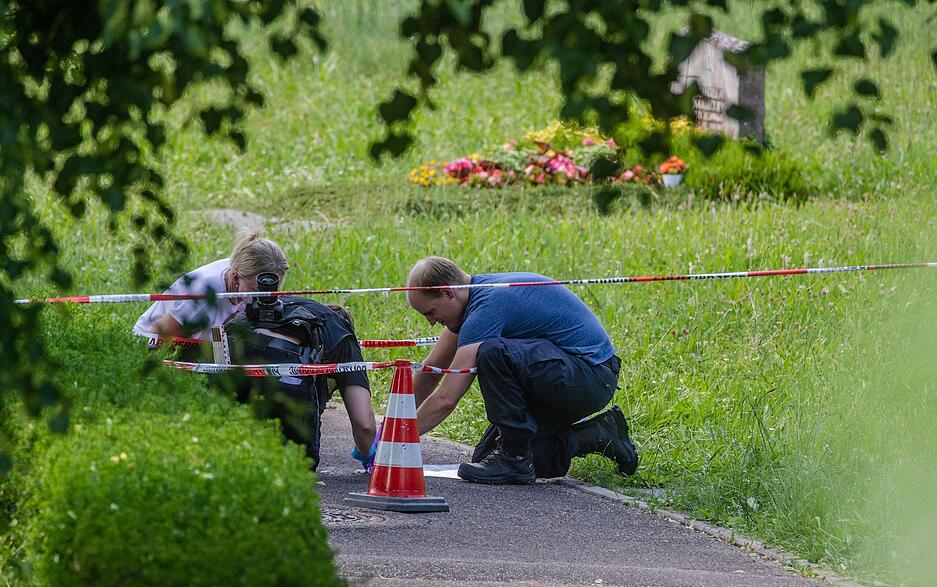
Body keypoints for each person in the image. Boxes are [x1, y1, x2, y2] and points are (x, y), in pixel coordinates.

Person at [406, 256, 637, 485]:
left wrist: (399, 438)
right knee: (486, 458)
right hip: (564, 372)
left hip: (592, 375)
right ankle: (596, 435)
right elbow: (429, 374)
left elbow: (446, 399)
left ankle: (513, 457)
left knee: (493, 353)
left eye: (430, 312)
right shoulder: (470, 302)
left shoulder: (486, 308)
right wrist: (392, 422)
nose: (431, 322)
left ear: (447, 292)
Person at [223, 296, 377, 471]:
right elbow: (364, 425)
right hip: (286, 365)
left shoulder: (290, 307)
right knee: (298, 467)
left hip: (230, 350)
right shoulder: (342, 335)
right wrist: (367, 453)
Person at [133, 229, 288, 341]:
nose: (263, 297)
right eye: (256, 291)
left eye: (272, 290)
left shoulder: (244, 272)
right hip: (151, 343)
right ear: (235, 279)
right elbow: (157, 335)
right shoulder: (203, 292)